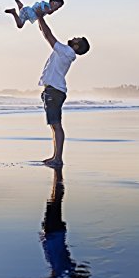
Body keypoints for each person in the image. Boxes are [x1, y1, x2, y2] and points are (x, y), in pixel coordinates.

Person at [37, 10, 90, 167]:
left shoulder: (66, 51)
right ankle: (55, 157)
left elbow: (48, 35)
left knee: (56, 125)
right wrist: (40, 19)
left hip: (54, 91)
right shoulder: (65, 52)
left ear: (76, 45)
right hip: (53, 91)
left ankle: (58, 159)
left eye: (76, 38)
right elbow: (44, 32)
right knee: (55, 125)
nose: (73, 37)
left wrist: (40, 16)